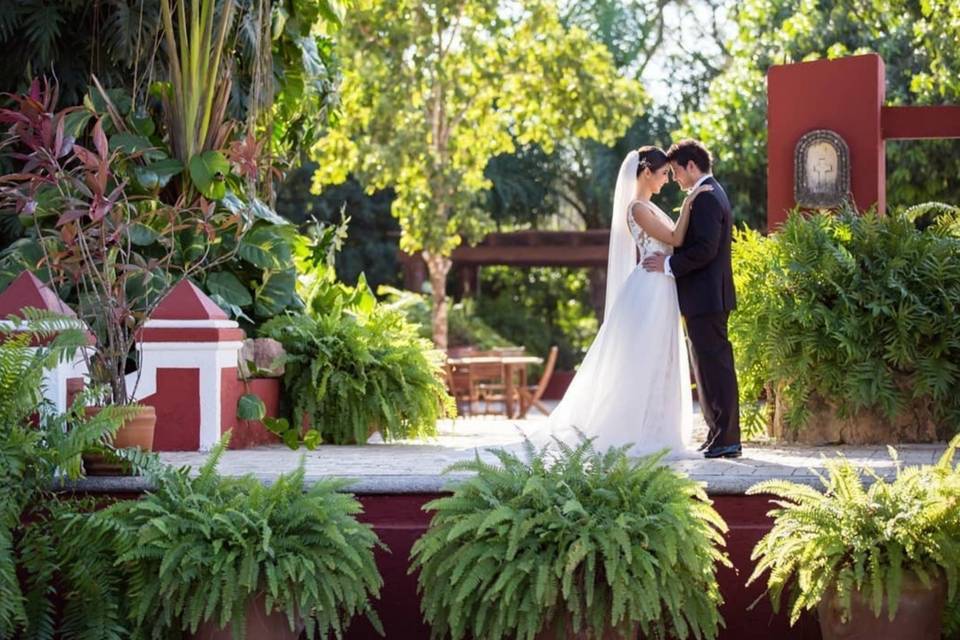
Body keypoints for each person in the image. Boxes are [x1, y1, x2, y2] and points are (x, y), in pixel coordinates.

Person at [538, 145, 711, 458]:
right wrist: (690, 204)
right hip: (650, 287)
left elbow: (671, 239)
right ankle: (636, 429)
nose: (666, 180)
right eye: (662, 174)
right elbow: (674, 239)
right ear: (646, 173)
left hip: (662, 284)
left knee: (662, 357)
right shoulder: (637, 209)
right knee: (646, 355)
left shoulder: (650, 206)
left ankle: (656, 426)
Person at [642, 139, 741, 459]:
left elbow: (705, 250)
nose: (676, 179)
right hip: (705, 297)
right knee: (708, 368)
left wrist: (668, 264)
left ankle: (727, 439)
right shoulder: (706, 194)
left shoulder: (708, 197)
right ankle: (718, 435)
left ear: (691, 167)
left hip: (707, 297)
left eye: (676, 171)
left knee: (716, 367)